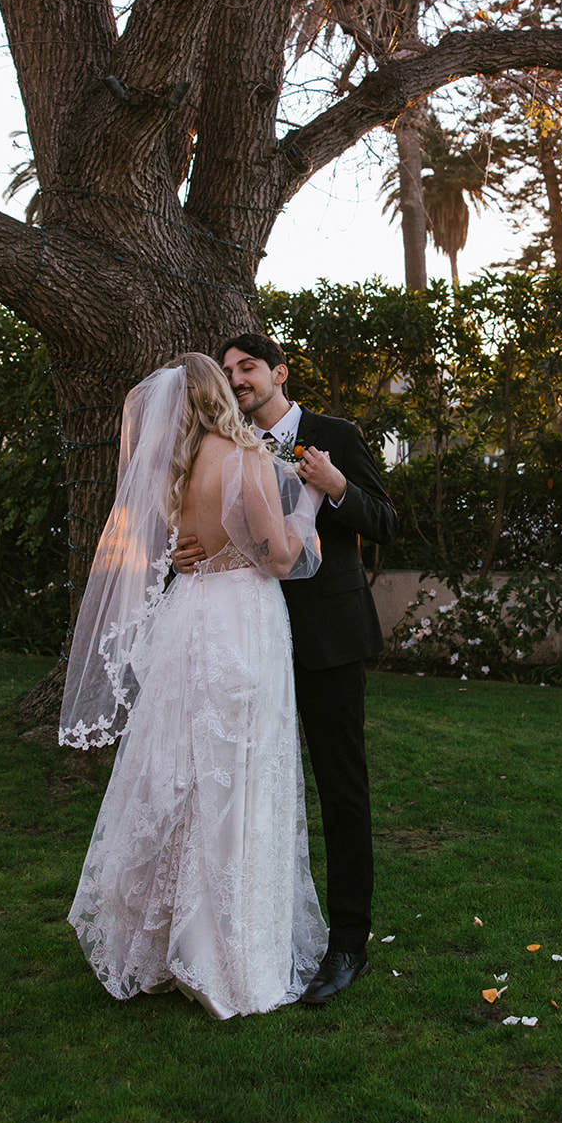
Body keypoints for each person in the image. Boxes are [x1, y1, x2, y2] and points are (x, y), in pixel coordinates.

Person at [58, 353, 328, 1019]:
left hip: (189, 619)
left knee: (183, 775)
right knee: (237, 775)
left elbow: (183, 545)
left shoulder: (170, 472)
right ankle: (222, 955)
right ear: (218, 397)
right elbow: (282, 558)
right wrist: (312, 502)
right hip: (241, 622)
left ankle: (158, 945)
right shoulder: (244, 458)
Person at [173, 333, 397, 1007]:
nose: (239, 379)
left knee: (340, 785)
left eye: (249, 368)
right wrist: (189, 556)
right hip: (243, 639)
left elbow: (384, 520)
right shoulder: (219, 442)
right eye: (231, 370)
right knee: (248, 785)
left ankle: (347, 943)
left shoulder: (334, 434)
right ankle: (259, 935)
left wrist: (333, 489)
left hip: (327, 636)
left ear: (279, 373)